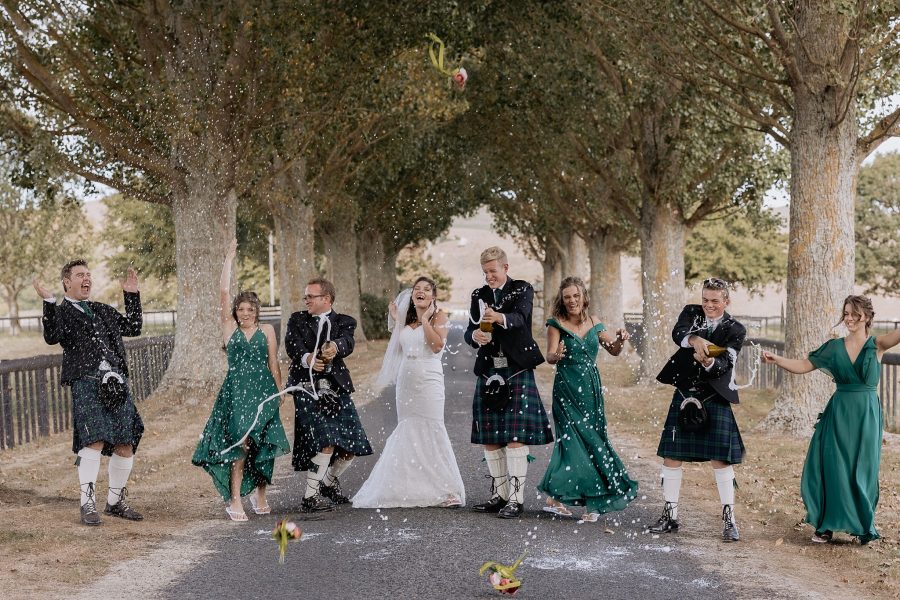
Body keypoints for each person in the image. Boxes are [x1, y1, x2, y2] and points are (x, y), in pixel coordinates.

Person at [762, 295, 900, 544]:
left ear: (866, 317)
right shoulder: (834, 347)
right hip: (839, 412)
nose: (848, 318)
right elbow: (805, 365)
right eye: (846, 313)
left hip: (866, 415)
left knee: (863, 469)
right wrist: (778, 359)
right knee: (833, 467)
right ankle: (825, 525)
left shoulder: (877, 345)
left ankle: (862, 526)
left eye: (854, 314)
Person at [34, 260, 145, 526]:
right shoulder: (60, 313)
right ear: (66, 282)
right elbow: (52, 336)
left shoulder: (103, 310)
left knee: (125, 442)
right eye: (80, 275)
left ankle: (115, 502)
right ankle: (87, 504)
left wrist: (131, 296)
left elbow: (133, 327)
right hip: (86, 382)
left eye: (88, 275)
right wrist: (48, 301)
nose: (86, 279)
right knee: (93, 440)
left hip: (115, 383)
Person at [191, 240, 290, 522]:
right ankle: (235, 499)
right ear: (235, 311)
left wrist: (279, 389)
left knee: (263, 444)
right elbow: (223, 292)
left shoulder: (268, 331)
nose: (245, 313)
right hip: (236, 392)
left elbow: (273, 362)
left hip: (263, 390)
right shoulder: (229, 329)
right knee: (240, 443)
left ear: (257, 311)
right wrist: (228, 259)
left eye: (250, 309)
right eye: (241, 309)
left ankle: (261, 495)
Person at [352, 277, 466, 508]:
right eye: (417, 289)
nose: (420, 292)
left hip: (430, 378)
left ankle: (447, 488)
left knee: (432, 427)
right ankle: (406, 485)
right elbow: (399, 347)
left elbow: (436, 346)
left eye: (426, 289)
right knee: (407, 427)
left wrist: (425, 320)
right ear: (412, 295)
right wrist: (397, 321)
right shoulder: (404, 319)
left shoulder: (439, 317)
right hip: (407, 380)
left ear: (433, 296)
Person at [650, 277, 747, 542]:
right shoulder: (691, 313)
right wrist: (694, 339)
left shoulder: (735, 329)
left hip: (714, 395)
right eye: (705, 299)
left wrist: (706, 364)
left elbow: (726, 363)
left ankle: (729, 520)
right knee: (672, 455)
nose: (709, 305)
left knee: (721, 459)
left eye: (715, 301)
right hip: (684, 392)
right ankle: (670, 515)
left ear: (726, 301)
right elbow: (677, 333)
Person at [538, 276, 638, 522]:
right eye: (567, 297)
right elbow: (549, 356)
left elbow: (613, 350)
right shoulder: (556, 324)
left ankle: (571, 501)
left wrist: (621, 341)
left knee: (593, 442)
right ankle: (577, 500)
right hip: (566, 388)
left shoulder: (595, 323)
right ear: (562, 300)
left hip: (591, 390)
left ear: (583, 297)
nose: (572, 301)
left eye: (576, 296)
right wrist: (557, 355)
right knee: (571, 443)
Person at [465, 246, 553, 519]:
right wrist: (475, 337)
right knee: (491, 437)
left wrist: (499, 318)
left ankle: (516, 499)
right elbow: (470, 328)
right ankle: (500, 495)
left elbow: (521, 318)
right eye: (485, 272)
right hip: (489, 370)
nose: (489, 276)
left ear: (505, 267)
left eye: (493, 271)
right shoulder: (478, 295)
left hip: (516, 367)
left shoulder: (521, 289)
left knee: (514, 437)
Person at [285, 277, 373, 513]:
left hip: (337, 387)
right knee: (326, 442)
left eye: (311, 297)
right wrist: (308, 359)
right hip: (306, 386)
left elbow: (347, 342)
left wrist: (335, 347)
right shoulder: (297, 319)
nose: (306, 301)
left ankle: (327, 482)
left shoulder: (344, 321)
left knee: (350, 446)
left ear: (327, 299)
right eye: (306, 296)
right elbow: (292, 347)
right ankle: (310, 497)